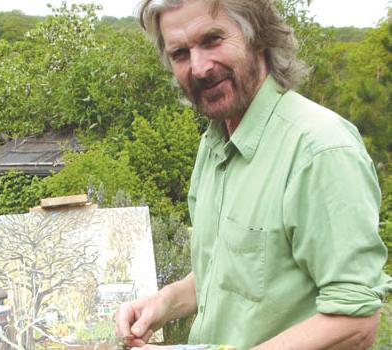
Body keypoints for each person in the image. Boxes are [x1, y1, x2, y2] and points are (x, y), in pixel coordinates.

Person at [115, 0, 392, 349]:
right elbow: (225, 273)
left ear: (257, 36)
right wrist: (161, 304)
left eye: (213, 40)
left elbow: (356, 321)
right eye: (181, 53)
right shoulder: (214, 144)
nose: (199, 68)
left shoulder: (320, 149)